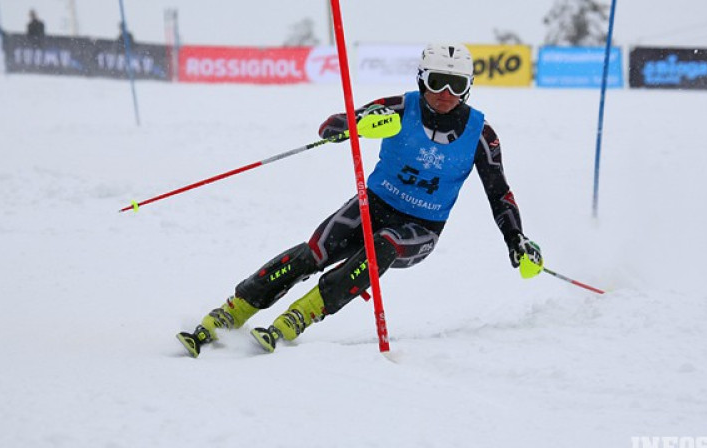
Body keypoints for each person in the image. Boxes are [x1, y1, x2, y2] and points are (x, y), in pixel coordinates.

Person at [176, 43, 544, 357]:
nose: (445, 93)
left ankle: (301, 314)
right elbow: (332, 125)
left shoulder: (482, 135)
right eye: (436, 81)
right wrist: (353, 126)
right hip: (372, 205)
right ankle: (230, 312)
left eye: (456, 84)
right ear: (421, 78)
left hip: (421, 228)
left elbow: (500, 193)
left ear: (469, 88)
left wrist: (517, 239)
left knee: (382, 247)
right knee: (313, 253)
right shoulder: (399, 108)